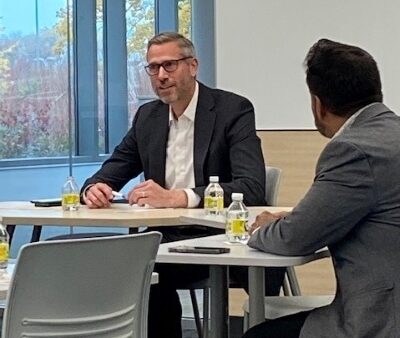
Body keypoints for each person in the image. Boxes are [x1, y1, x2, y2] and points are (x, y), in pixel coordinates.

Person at [81, 32, 285, 338]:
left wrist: (180, 197)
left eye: (170, 65)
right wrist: (93, 189)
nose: (161, 75)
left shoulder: (232, 110)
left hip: (222, 238)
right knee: (133, 268)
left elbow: (251, 187)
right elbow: (110, 171)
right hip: (165, 240)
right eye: (153, 68)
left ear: (192, 66)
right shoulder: (147, 117)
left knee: (148, 267)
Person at [244, 38, 400, 338]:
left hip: (381, 320)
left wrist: (261, 228)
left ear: (318, 103)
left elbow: (294, 239)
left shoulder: (353, 150)